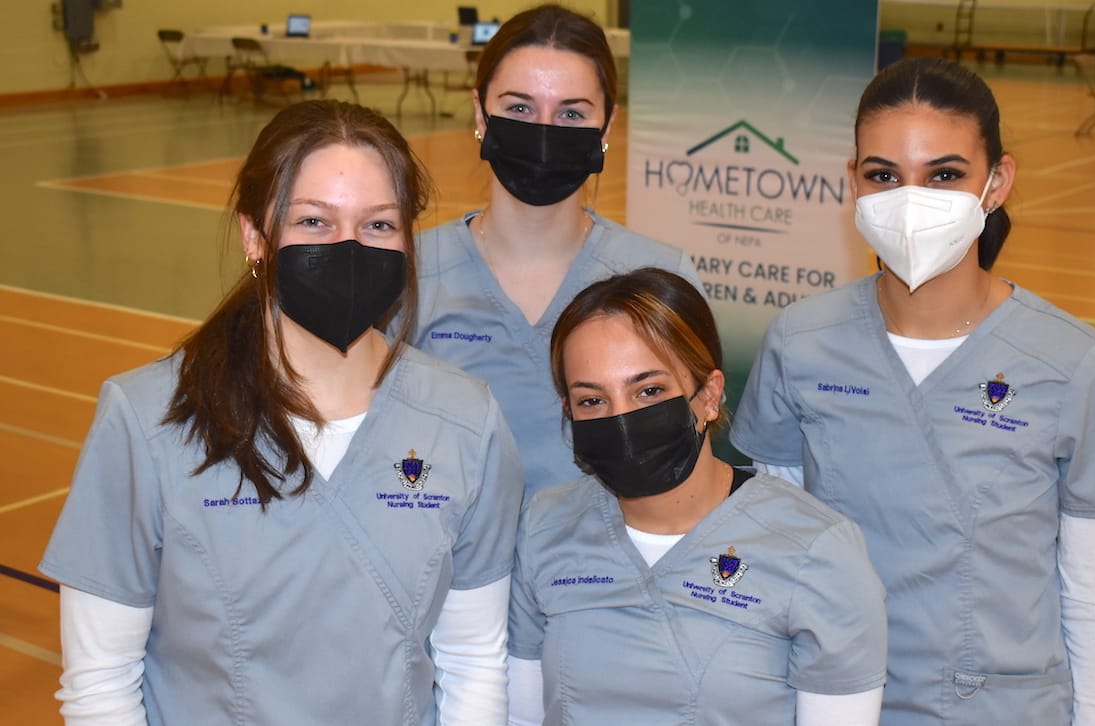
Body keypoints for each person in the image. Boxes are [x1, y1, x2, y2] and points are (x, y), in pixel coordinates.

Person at [38, 100, 523, 725]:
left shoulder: (464, 419)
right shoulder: (147, 420)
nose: (348, 247)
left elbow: (474, 662)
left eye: (378, 225)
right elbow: (100, 685)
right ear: (255, 235)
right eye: (315, 222)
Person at [731, 57, 1095, 725]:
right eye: (883, 175)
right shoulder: (800, 342)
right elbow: (776, 552)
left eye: (943, 175)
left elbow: (1094, 591)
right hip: (835, 701)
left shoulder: (1071, 361)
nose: (910, 198)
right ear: (853, 184)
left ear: (996, 184)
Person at [507, 267, 887, 725]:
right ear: (568, 409)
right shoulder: (546, 527)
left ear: (709, 395)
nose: (622, 418)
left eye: (649, 391)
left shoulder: (816, 550)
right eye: (592, 400)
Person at [402, 4, 700, 499]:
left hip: (603, 570)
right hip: (452, 565)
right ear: (481, 113)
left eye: (571, 113)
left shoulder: (663, 275)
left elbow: (686, 465)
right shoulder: (408, 272)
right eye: (519, 108)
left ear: (606, 126)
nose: (544, 130)